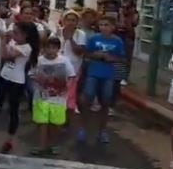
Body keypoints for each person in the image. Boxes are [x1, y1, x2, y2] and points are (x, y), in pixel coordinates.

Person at [0, 21, 40, 154]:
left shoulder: (27, 48)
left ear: (25, 35)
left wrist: (3, 40)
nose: (13, 34)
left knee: (13, 110)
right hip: (4, 76)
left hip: (17, 81)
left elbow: (5, 56)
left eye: (16, 33)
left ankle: (9, 140)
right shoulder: (14, 42)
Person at [78, 16, 126, 144]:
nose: (103, 27)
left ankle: (102, 131)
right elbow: (86, 54)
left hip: (108, 75)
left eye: (106, 25)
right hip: (93, 73)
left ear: (113, 27)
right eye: (101, 25)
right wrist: (96, 55)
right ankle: (83, 128)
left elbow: (122, 58)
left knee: (105, 103)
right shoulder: (94, 39)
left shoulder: (118, 41)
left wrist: (112, 58)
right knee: (87, 100)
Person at [30, 37, 75, 156]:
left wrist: (65, 89)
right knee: (42, 122)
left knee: (56, 123)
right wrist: (39, 79)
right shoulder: (39, 60)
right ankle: (41, 146)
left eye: (53, 48)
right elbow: (31, 74)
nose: (50, 50)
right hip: (41, 97)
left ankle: (53, 144)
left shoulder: (64, 60)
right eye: (47, 47)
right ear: (43, 48)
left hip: (59, 98)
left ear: (58, 49)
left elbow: (71, 76)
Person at [59, 10, 86, 115]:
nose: (70, 22)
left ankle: (71, 106)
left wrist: (70, 38)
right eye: (68, 20)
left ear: (77, 22)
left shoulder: (80, 34)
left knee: (71, 87)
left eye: (73, 20)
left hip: (74, 65)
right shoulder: (58, 31)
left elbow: (79, 51)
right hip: (59, 64)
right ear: (64, 21)